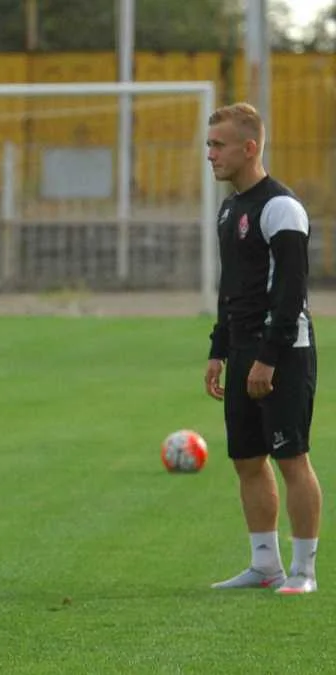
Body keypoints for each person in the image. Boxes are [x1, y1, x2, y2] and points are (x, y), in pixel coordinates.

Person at [204, 102, 321, 595]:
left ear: (249, 148)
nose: (210, 154)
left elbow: (291, 292)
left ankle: (304, 571)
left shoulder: (281, 208)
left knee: (291, 458)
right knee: (247, 460)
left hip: (283, 351)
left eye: (218, 145)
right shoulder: (229, 208)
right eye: (209, 144)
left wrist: (268, 358)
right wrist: (219, 349)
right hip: (242, 349)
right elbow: (232, 286)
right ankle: (264, 565)